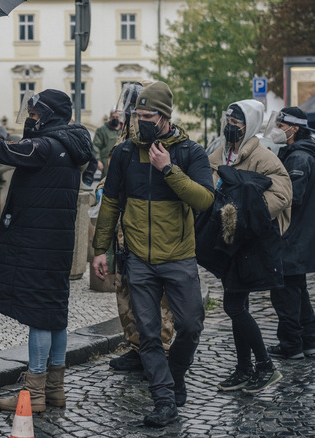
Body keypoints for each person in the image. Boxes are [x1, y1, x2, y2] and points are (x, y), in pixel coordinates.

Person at [0, 89, 93, 412]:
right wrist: (31, 125)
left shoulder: (44, 147)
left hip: (37, 244)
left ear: (50, 115)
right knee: (55, 315)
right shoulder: (69, 146)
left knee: (39, 317)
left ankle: (34, 392)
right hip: (57, 244)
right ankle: (55, 389)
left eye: (36, 112)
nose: (31, 116)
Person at [92, 81, 214, 427]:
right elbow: (111, 203)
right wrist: (100, 250)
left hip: (178, 257)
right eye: (137, 115)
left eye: (147, 116)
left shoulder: (191, 152)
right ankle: (163, 399)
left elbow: (205, 200)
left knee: (191, 326)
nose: (139, 121)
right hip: (139, 260)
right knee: (148, 334)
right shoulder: (126, 153)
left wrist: (168, 169)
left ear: (164, 117)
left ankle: (175, 375)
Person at [203, 100, 290, 394]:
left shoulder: (262, 156)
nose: (232, 124)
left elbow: (283, 192)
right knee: (238, 304)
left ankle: (265, 367)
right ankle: (244, 369)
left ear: (249, 124)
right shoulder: (219, 153)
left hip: (250, 242)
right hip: (228, 242)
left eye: (238, 121)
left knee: (233, 305)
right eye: (229, 118)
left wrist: (246, 211)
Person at [97, 83, 176, 373]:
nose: (133, 116)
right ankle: (137, 346)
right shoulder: (123, 139)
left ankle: (160, 350)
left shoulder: (157, 137)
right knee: (125, 289)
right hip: (123, 230)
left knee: (157, 295)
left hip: (150, 228)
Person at [269, 106, 315, 360]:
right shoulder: (300, 154)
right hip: (299, 238)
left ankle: (290, 344)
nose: (277, 129)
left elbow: (291, 199)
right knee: (297, 289)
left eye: (280, 124)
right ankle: (308, 341)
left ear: (294, 128)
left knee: (283, 291)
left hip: (291, 237)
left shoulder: (299, 158)